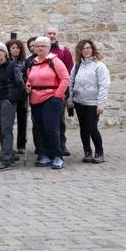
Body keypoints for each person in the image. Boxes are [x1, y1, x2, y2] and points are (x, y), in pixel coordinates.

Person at [26, 36, 70, 170]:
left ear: (48, 48)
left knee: (51, 128)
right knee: (39, 128)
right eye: (37, 46)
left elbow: (65, 79)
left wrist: (57, 96)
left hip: (51, 98)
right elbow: (29, 78)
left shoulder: (55, 61)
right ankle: (44, 154)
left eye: (43, 46)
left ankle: (57, 156)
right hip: (35, 99)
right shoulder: (32, 62)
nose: (39, 48)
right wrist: (28, 85)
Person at [69, 39, 110, 164]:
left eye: (88, 48)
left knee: (92, 127)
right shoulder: (76, 66)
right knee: (83, 128)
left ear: (92, 49)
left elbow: (104, 85)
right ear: (80, 51)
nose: (86, 50)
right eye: (83, 48)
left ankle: (99, 152)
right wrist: (70, 100)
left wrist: (101, 104)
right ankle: (87, 152)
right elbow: (71, 83)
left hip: (93, 103)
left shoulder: (99, 66)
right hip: (79, 102)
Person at [0, 43, 24, 172]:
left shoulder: (13, 66)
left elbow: (20, 84)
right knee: (0, 129)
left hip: (7, 101)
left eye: (0, 50)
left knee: (6, 129)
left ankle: (5, 160)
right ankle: (9, 154)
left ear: (5, 53)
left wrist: (10, 99)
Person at [46, 26, 74, 156]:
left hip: (60, 91)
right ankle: (45, 146)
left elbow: (69, 71)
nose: (51, 35)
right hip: (43, 92)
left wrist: (63, 90)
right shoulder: (41, 50)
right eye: (49, 33)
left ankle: (61, 145)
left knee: (59, 120)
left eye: (53, 33)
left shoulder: (64, 51)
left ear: (57, 35)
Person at [7, 39, 28, 154]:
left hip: (22, 95)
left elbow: (28, 76)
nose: (15, 50)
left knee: (22, 121)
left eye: (17, 48)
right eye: (13, 48)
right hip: (9, 95)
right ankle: (8, 144)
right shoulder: (5, 62)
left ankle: (21, 144)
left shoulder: (24, 62)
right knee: (8, 122)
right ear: (9, 49)